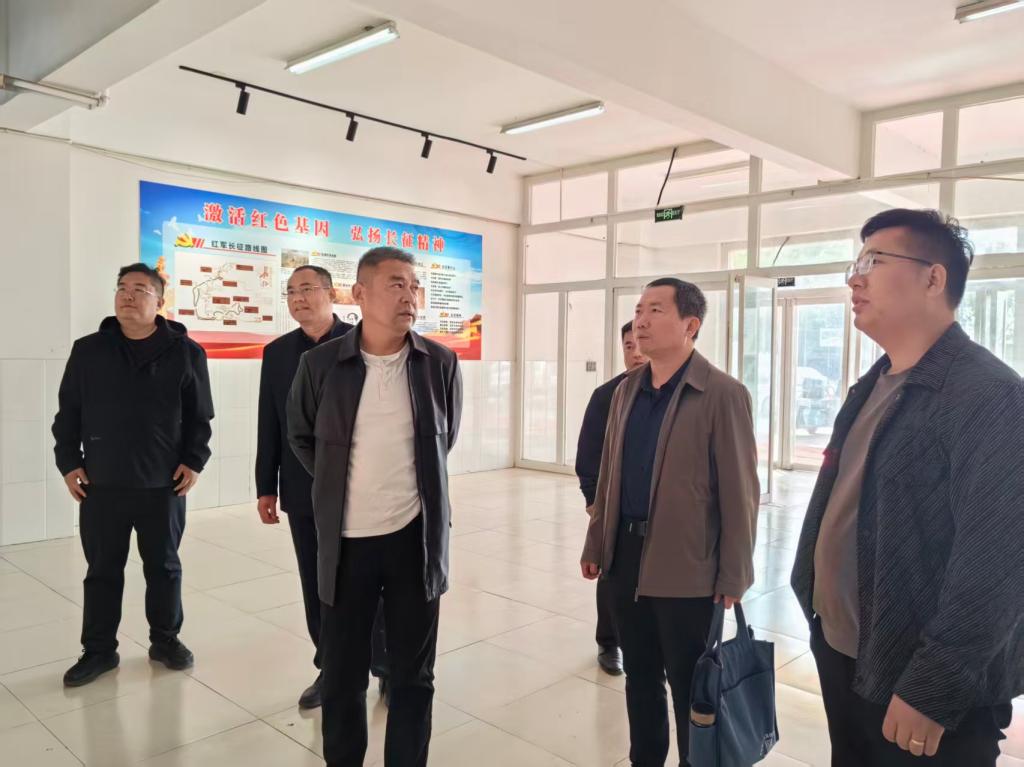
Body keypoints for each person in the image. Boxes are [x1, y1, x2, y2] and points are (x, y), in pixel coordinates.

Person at [791, 209, 1023, 766]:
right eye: (855, 264)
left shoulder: (989, 395)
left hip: (918, 683)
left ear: (933, 278)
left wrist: (933, 686)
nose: (855, 279)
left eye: (872, 261)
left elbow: (997, 563)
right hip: (847, 652)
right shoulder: (874, 383)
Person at [287, 246, 461, 767]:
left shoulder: (439, 363)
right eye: (395, 283)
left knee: (413, 676)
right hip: (346, 543)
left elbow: (444, 439)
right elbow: (301, 436)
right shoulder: (320, 364)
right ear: (359, 294)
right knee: (343, 677)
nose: (409, 295)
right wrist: (341, 483)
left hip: (415, 540)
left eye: (413, 285)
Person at [580, 278, 760, 767]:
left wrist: (734, 574)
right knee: (640, 676)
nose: (640, 321)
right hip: (625, 558)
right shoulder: (626, 391)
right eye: (639, 310)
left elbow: (741, 493)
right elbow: (609, 477)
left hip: (687, 566)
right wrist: (596, 543)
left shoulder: (722, 394)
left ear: (690, 325)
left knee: (688, 683)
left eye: (656, 310)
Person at [52, 262, 213, 687]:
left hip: (164, 483)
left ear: (159, 301)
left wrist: (194, 460)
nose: (128, 295)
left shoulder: (186, 352)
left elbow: (200, 417)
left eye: (140, 289)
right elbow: (68, 413)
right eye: (122, 287)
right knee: (102, 569)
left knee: (164, 567)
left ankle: (165, 640)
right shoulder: (89, 351)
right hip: (101, 483)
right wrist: (68, 461)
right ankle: (99, 650)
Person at [256, 265, 390, 710]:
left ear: (332, 294)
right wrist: (266, 485)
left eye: (308, 289)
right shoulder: (277, 353)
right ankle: (330, 667)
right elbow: (270, 422)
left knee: (370, 581)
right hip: (303, 489)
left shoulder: (363, 342)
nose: (299, 298)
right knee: (318, 582)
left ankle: (386, 665)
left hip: (362, 488)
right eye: (291, 291)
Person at [575, 320, 648, 675]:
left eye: (640, 345)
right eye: (628, 346)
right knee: (609, 574)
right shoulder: (607, 395)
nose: (635, 353)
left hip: (655, 511)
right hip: (612, 507)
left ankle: (647, 642)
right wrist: (594, 502)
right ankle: (609, 642)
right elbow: (587, 455)